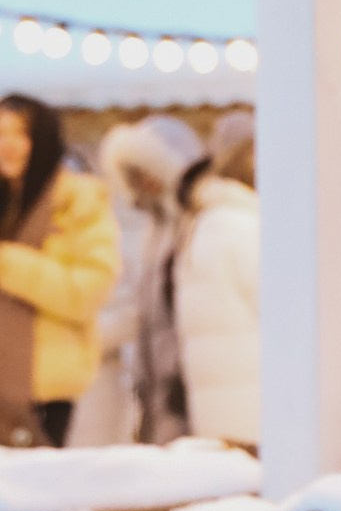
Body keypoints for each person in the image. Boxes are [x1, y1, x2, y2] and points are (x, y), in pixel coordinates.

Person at [0, 91, 121, 450]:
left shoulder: (78, 201)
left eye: (20, 134)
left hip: (44, 388)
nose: (8, 145)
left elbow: (86, 292)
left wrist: (7, 262)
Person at [76, 112, 201, 443]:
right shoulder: (152, 230)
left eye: (146, 174)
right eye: (134, 176)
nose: (143, 185)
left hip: (186, 378)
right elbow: (139, 308)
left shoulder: (193, 226)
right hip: (155, 382)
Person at [173, 112, 263, 449]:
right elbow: (290, 314)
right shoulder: (243, 226)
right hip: (257, 410)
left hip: (223, 409)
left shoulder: (207, 222)